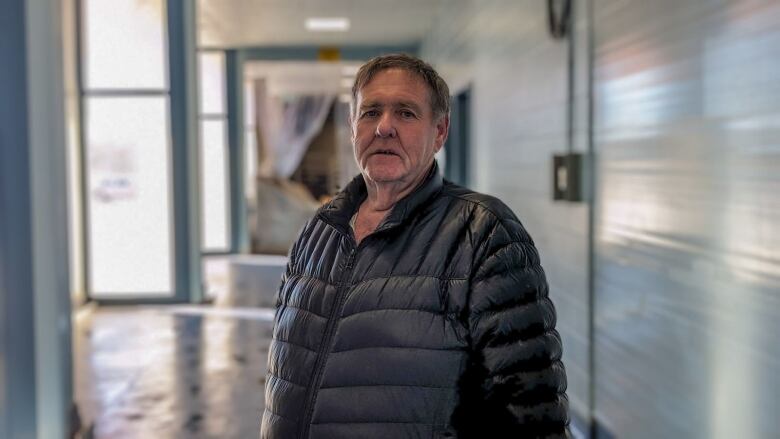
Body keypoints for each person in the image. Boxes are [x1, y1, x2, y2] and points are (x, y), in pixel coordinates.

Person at [261, 54, 569, 438]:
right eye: (370, 112)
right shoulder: (317, 235)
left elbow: (532, 412)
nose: (384, 127)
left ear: (439, 133)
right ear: (353, 128)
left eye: (405, 113)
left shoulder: (482, 235)